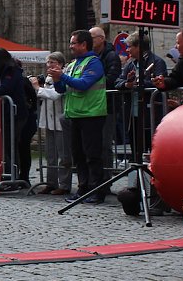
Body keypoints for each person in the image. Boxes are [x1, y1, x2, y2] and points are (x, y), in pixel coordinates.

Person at [51, 30, 107, 204]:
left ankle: (97, 191)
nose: (71, 46)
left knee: (92, 155)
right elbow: (62, 89)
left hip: (92, 114)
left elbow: (83, 84)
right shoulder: (74, 64)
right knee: (78, 155)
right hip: (75, 114)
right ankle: (83, 189)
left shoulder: (94, 63)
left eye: (73, 43)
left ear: (84, 44)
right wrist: (57, 79)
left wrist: (62, 76)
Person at [114, 32, 167, 156]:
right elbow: (118, 81)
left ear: (139, 47)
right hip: (133, 114)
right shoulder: (130, 63)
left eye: (129, 47)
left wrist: (139, 84)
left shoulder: (157, 62)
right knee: (136, 150)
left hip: (150, 113)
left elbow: (159, 83)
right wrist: (127, 84)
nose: (127, 50)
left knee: (153, 149)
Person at [0, 48, 31, 181]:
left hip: (15, 113)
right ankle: (11, 174)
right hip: (9, 113)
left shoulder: (11, 70)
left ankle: (12, 176)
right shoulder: (8, 70)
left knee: (10, 145)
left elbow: (5, 88)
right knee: (7, 145)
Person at [31, 52, 72, 195]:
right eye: (48, 63)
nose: (49, 65)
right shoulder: (49, 77)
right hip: (49, 119)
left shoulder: (65, 76)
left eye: (52, 62)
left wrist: (38, 88)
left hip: (60, 117)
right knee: (50, 154)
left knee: (63, 154)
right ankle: (51, 182)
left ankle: (64, 184)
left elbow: (55, 94)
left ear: (60, 64)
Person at [89, 26, 121, 193]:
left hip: (107, 105)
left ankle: (106, 180)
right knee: (94, 143)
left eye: (91, 38)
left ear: (101, 39)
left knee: (104, 144)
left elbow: (111, 79)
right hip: (94, 104)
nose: (89, 41)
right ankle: (96, 179)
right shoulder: (92, 56)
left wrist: (90, 83)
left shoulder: (111, 56)